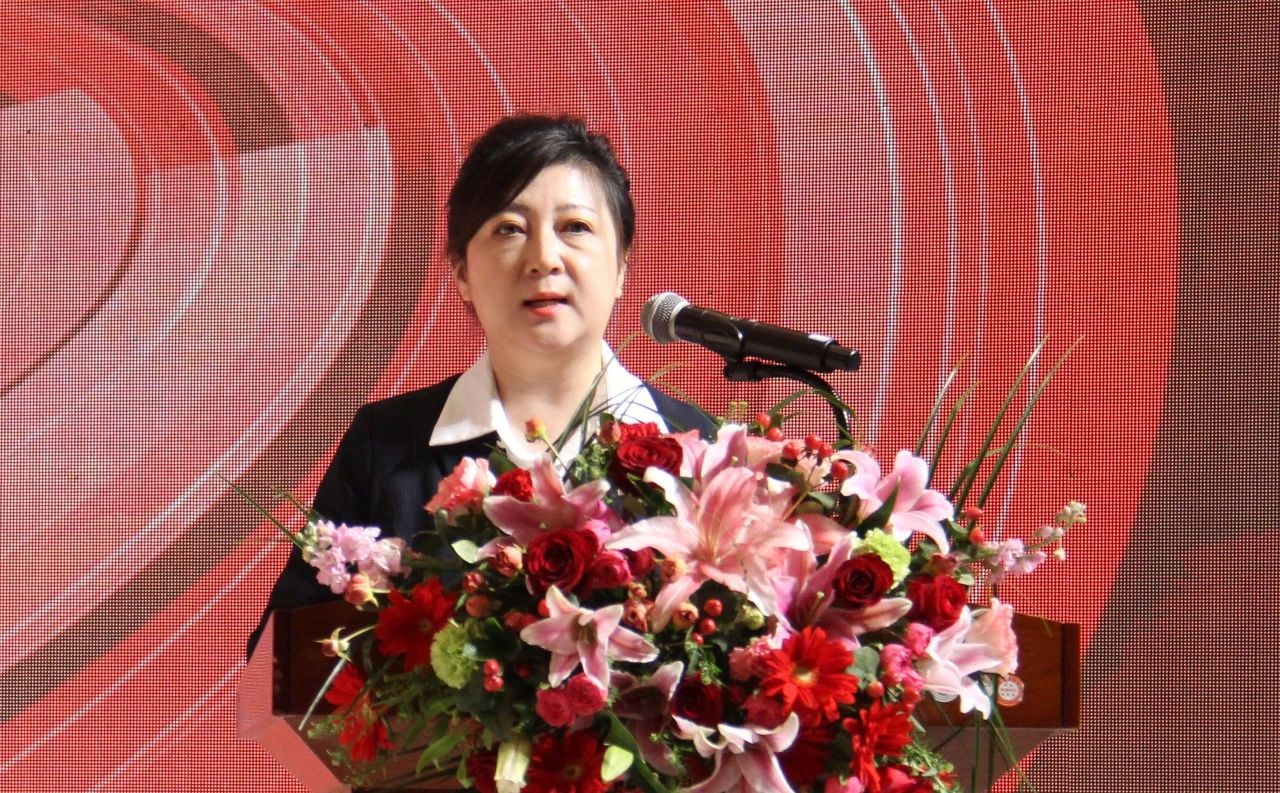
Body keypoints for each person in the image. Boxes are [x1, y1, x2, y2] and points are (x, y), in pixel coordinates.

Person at [246, 114, 714, 656]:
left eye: (575, 227)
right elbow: (290, 659)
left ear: (622, 268)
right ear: (462, 274)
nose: (544, 258)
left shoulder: (697, 448)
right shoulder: (387, 445)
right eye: (509, 229)